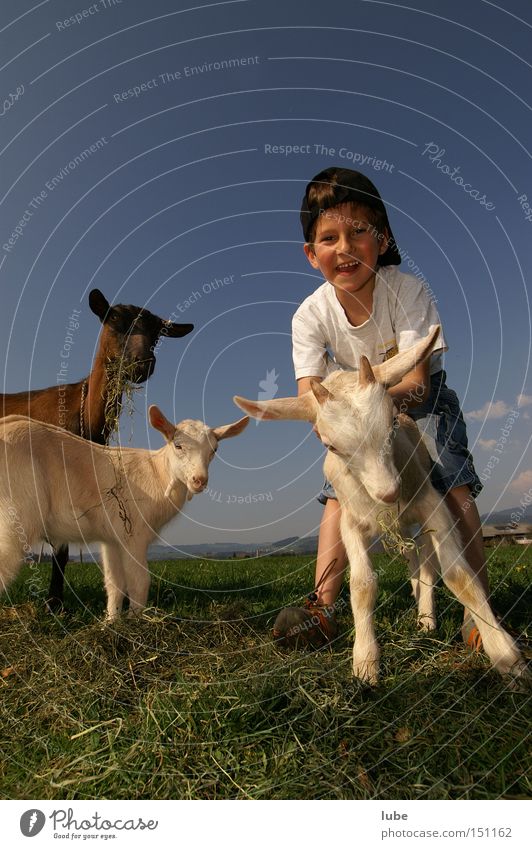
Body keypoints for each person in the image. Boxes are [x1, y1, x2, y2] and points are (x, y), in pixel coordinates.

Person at [273, 166, 486, 651]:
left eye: (358, 231)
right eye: (328, 237)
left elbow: (415, 379)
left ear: (383, 239)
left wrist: (372, 410)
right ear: (311, 254)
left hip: (423, 402)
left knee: (452, 487)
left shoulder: (407, 292)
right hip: (356, 420)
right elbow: (313, 399)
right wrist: (342, 430)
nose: (343, 247)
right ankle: (323, 609)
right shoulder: (310, 315)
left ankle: (479, 614)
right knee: (337, 494)